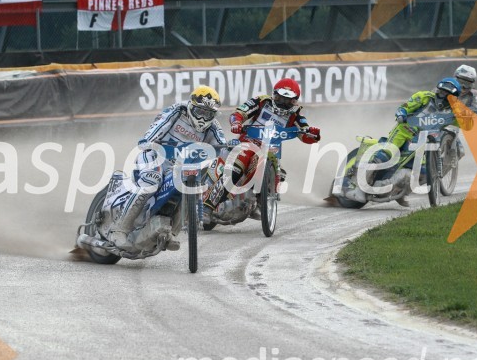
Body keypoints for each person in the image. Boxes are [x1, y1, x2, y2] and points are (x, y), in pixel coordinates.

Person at [108, 86, 227, 250]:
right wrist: (148, 140)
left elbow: (221, 146)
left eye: (208, 114)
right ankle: (119, 229)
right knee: (151, 181)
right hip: (155, 154)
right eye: (200, 112)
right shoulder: (177, 111)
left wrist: (229, 150)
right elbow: (159, 125)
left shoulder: (213, 126)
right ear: (192, 105)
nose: (203, 118)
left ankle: (169, 231)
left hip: (179, 166)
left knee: (188, 188)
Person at [202, 78, 321, 214]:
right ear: (274, 94)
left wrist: (313, 134)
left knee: (281, 173)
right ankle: (208, 207)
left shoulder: (297, 115)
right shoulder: (261, 101)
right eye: (280, 98)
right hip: (248, 142)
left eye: (288, 100)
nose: (283, 103)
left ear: (295, 100)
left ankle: (261, 202)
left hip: (271, 149)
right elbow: (239, 113)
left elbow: (305, 133)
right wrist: (236, 123)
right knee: (235, 168)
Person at [375, 77, 470, 204]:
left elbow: (467, 125)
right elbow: (404, 107)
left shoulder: (455, 110)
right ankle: (368, 168)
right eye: (441, 92)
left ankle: (398, 191)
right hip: (406, 131)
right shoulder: (424, 96)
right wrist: (401, 114)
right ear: (437, 90)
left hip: (427, 141)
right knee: (386, 154)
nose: (442, 96)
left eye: (448, 95)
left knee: (424, 172)